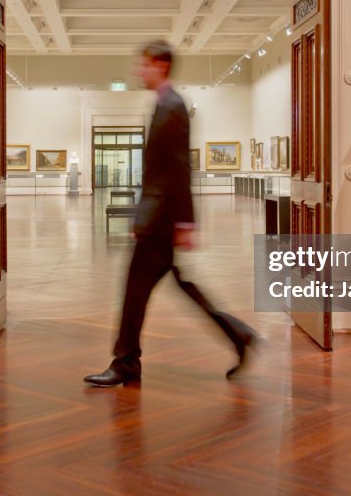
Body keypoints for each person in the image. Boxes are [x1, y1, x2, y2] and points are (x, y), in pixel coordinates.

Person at [84, 40, 258, 387]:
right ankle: (238, 335)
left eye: (143, 65)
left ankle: (126, 363)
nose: (139, 71)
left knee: (136, 292)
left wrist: (183, 222)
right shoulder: (166, 104)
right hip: (157, 220)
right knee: (178, 286)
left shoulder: (173, 105)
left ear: (160, 66)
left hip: (159, 223)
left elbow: (177, 169)